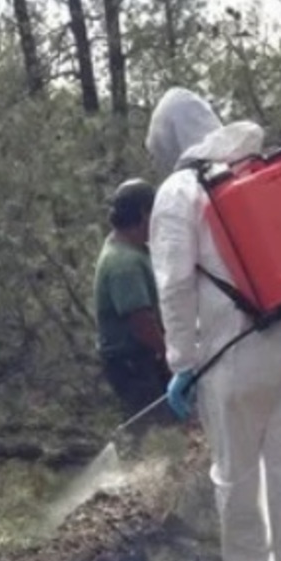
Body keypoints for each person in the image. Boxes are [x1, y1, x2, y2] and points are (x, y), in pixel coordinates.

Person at [146, 88, 281, 561]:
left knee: (236, 473)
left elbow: (174, 287)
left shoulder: (180, 191)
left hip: (238, 351)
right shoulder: (264, 167)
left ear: (169, 141)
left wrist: (182, 363)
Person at [93, 179, 171, 425]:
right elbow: (140, 320)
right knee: (157, 427)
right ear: (144, 213)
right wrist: (169, 354)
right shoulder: (124, 263)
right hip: (133, 363)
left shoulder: (131, 251)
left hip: (140, 359)